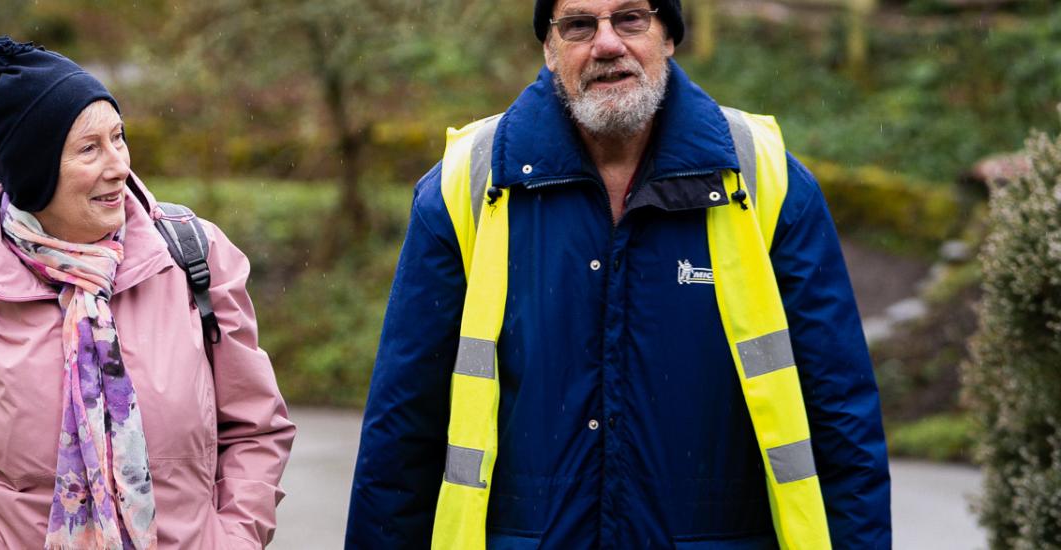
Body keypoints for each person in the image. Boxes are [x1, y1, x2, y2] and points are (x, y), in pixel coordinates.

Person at [346, 0, 890, 547]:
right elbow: (401, 431)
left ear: (668, 36)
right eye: (579, 24)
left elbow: (842, 417)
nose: (607, 44)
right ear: (550, 48)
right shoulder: (468, 184)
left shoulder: (762, 177)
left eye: (630, 18)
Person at [0, 37, 295, 549]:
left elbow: (257, 429)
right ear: (35, 174)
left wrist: (232, 539)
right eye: (90, 149)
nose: (119, 164)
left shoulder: (193, 259)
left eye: (119, 138)